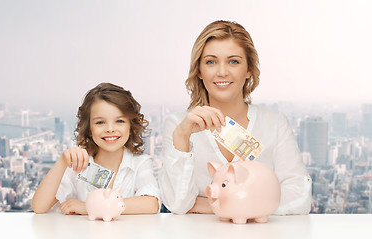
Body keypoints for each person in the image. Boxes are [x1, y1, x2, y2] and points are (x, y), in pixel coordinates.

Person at [159, 20, 312, 215]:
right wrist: (182, 136)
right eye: (211, 62)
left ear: (249, 70)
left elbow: (300, 197)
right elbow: (177, 205)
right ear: (199, 70)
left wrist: (215, 204)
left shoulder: (274, 123)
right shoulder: (178, 125)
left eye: (233, 61)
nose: (222, 72)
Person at [32, 83, 160, 215]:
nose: (110, 129)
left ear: (131, 126)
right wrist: (62, 161)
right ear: (89, 128)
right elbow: (39, 207)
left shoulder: (140, 163)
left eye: (119, 121)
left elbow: (151, 204)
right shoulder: (78, 165)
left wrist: (89, 207)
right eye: (100, 122)